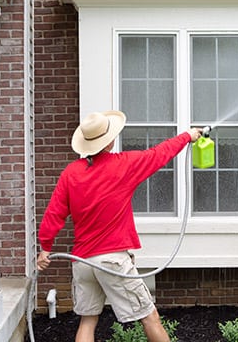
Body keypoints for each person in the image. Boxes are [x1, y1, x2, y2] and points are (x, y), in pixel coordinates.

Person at [37, 110, 202, 342]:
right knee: (149, 316)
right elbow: (159, 154)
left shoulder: (70, 173)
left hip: (82, 263)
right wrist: (187, 136)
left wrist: (45, 247)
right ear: (110, 140)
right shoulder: (123, 165)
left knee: (88, 320)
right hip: (112, 261)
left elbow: (54, 213)